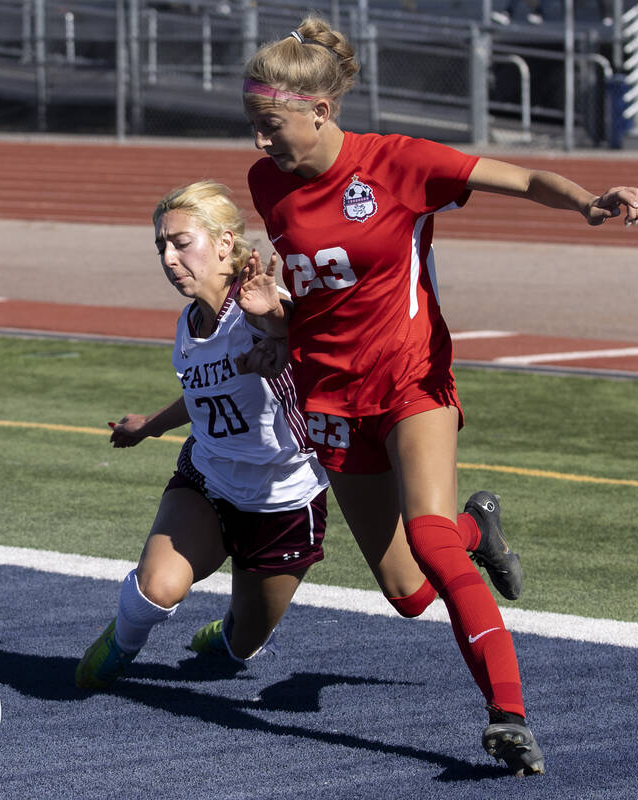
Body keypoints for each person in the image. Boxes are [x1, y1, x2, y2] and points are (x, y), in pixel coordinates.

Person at [238, 17, 638, 776]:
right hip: (330, 396)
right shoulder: (269, 184)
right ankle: (476, 527)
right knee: (407, 591)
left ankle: (509, 714)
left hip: (411, 377)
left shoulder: (398, 163)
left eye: (272, 126)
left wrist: (588, 201)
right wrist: (271, 317)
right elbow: (316, 305)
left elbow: (520, 178)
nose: (261, 144)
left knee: (427, 538)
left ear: (321, 112)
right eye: (253, 127)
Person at [75, 180, 522, 692]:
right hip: (209, 480)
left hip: (284, 501)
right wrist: (149, 426)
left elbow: (298, 335)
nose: (169, 258)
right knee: (158, 588)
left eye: (181, 242)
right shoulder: (191, 318)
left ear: (224, 244)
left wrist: (281, 339)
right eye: (162, 246)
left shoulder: (261, 306)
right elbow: (207, 394)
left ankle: (473, 529)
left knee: (402, 598)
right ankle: (120, 644)